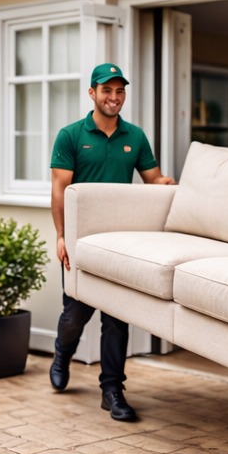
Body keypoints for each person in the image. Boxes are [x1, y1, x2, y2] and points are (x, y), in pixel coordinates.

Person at [49, 63, 175, 422]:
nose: (114, 97)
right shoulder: (71, 135)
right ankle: (62, 354)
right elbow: (59, 192)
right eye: (107, 90)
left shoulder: (135, 137)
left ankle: (112, 390)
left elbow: (152, 179)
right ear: (92, 93)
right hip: (79, 241)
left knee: (117, 318)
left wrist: (168, 183)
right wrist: (61, 236)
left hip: (121, 243)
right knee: (75, 314)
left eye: (120, 91)